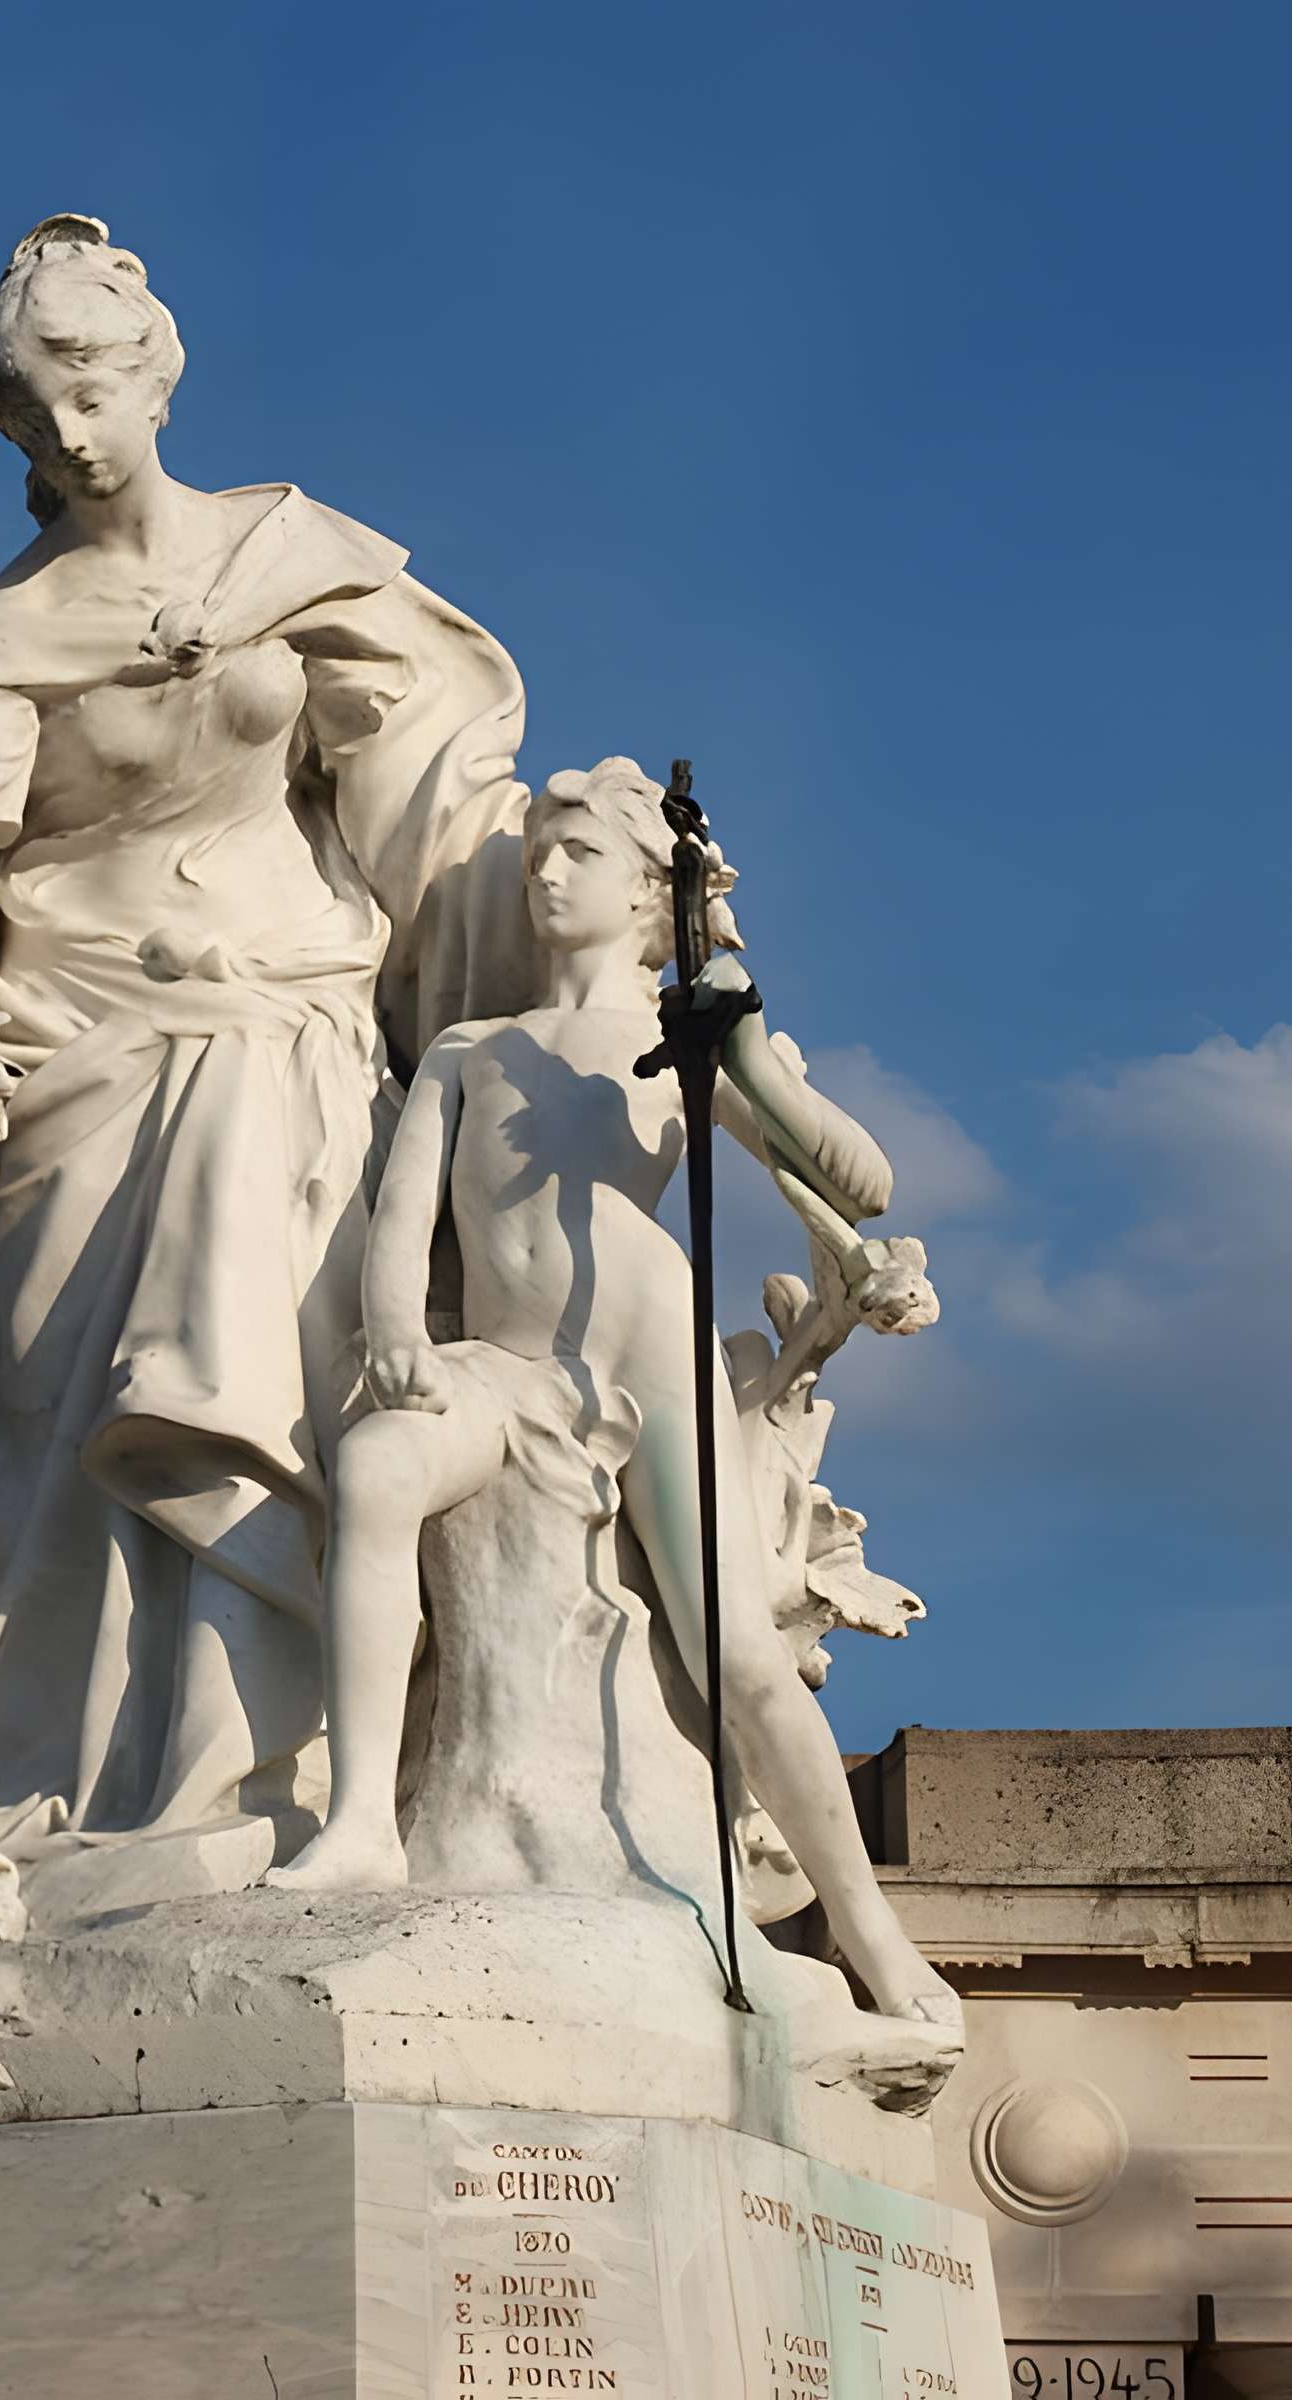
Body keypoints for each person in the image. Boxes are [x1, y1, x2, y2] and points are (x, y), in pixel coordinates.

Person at [0, 214, 538, 2033]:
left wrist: (590, 943)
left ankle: (256, 1783)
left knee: (251, 1353)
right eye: (32, 411)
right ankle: (105, 1796)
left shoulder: (303, 564)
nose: (70, 434)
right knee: (78, 1469)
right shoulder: (5, 631)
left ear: (157, 374)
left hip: (286, 1019)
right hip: (70, 1068)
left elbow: (437, 826)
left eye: (89, 388)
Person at [262, 756, 958, 2032]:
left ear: (649, 892)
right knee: (374, 1469)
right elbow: (399, 1220)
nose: (544, 869)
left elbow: (862, 1183)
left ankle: (873, 1936)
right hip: (509, 1364)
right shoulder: (470, 1051)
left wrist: (744, 1056)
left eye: (577, 851)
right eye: (538, 847)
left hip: (643, 1352)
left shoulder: (675, 1042)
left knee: (737, 1655)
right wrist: (397, 1330)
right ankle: (360, 1822)